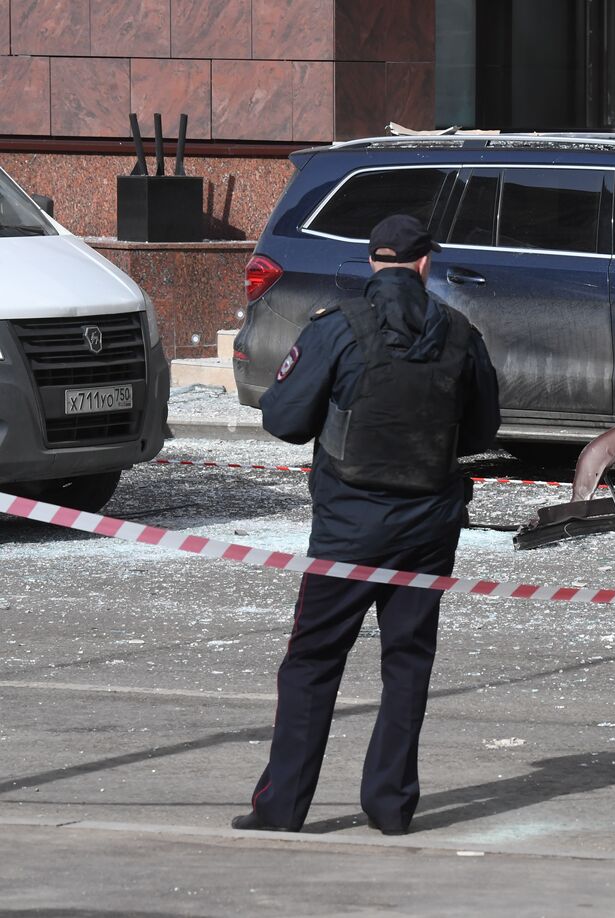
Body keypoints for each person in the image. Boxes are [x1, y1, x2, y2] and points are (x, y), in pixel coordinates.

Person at [233, 214, 500, 835]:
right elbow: (483, 430)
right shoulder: (462, 333)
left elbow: (285, 419)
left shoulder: (337, 328)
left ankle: (281, 808)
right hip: (429, 528)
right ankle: (391, 806)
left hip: (347, 531)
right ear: (425, 263)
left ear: (372, 263)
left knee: (312, 663)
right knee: (407, 664)